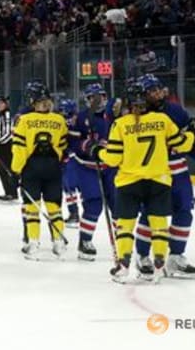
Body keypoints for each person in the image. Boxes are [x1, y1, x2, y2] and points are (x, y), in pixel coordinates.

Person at [94, 83, 195, 283]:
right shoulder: (162, 119)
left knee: (125, 225)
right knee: (159, 225)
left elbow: (113, 158)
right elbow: (182, 144)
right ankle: (158, 266)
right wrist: (193, 133)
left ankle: (123, 267)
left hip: (129, 182)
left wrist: (98, 152)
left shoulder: (120, 124)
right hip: (159, 180)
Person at [135, 74, 195, 279]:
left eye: (159, 89)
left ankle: (175, 257)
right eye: (152, 91)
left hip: (178, 171)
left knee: (184, 211)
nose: (158, 94)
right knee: (151, 214)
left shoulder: (175, 110)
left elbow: (188, 142)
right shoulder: (136, 115)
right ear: (142, 95)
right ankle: (142, 257)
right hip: (152, 172)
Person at [11, 82, 70, 259]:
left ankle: (33, 242)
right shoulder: (59, 120)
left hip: (32, 168)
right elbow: (63, 146)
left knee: (32, 207)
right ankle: (58, 242)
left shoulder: (24, 120)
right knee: (54, 207)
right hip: (53, 167)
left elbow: (19, 148)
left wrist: (16, 170)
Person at [67, 84, 117, 261]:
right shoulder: (80, 118)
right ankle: (85, 241)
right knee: (94, 204)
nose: (97, 100)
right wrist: (87, 145)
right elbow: (72, 143)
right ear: (87, 100)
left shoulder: (114, 116)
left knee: (118, 204)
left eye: (100, 96)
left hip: (111, 166)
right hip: (87, 167)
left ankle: (122, 240)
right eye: (93, 97)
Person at [0, 96, 18, 202]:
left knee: (7, 170)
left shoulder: (6, 114)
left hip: (6, 146)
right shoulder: (2, 115)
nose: (0, 105)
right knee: (3, 170)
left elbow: (8, 133)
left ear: (6, 104)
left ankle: (12, 192)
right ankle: (9, 192)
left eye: (2, 103)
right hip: (2, 145)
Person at [59, 98, 82, 228]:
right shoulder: (74, 120)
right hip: (70, 158)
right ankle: (75, 213)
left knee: (69, 188)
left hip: (71, 158)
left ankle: (74, 213)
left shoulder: (73, 122)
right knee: (68, 187)